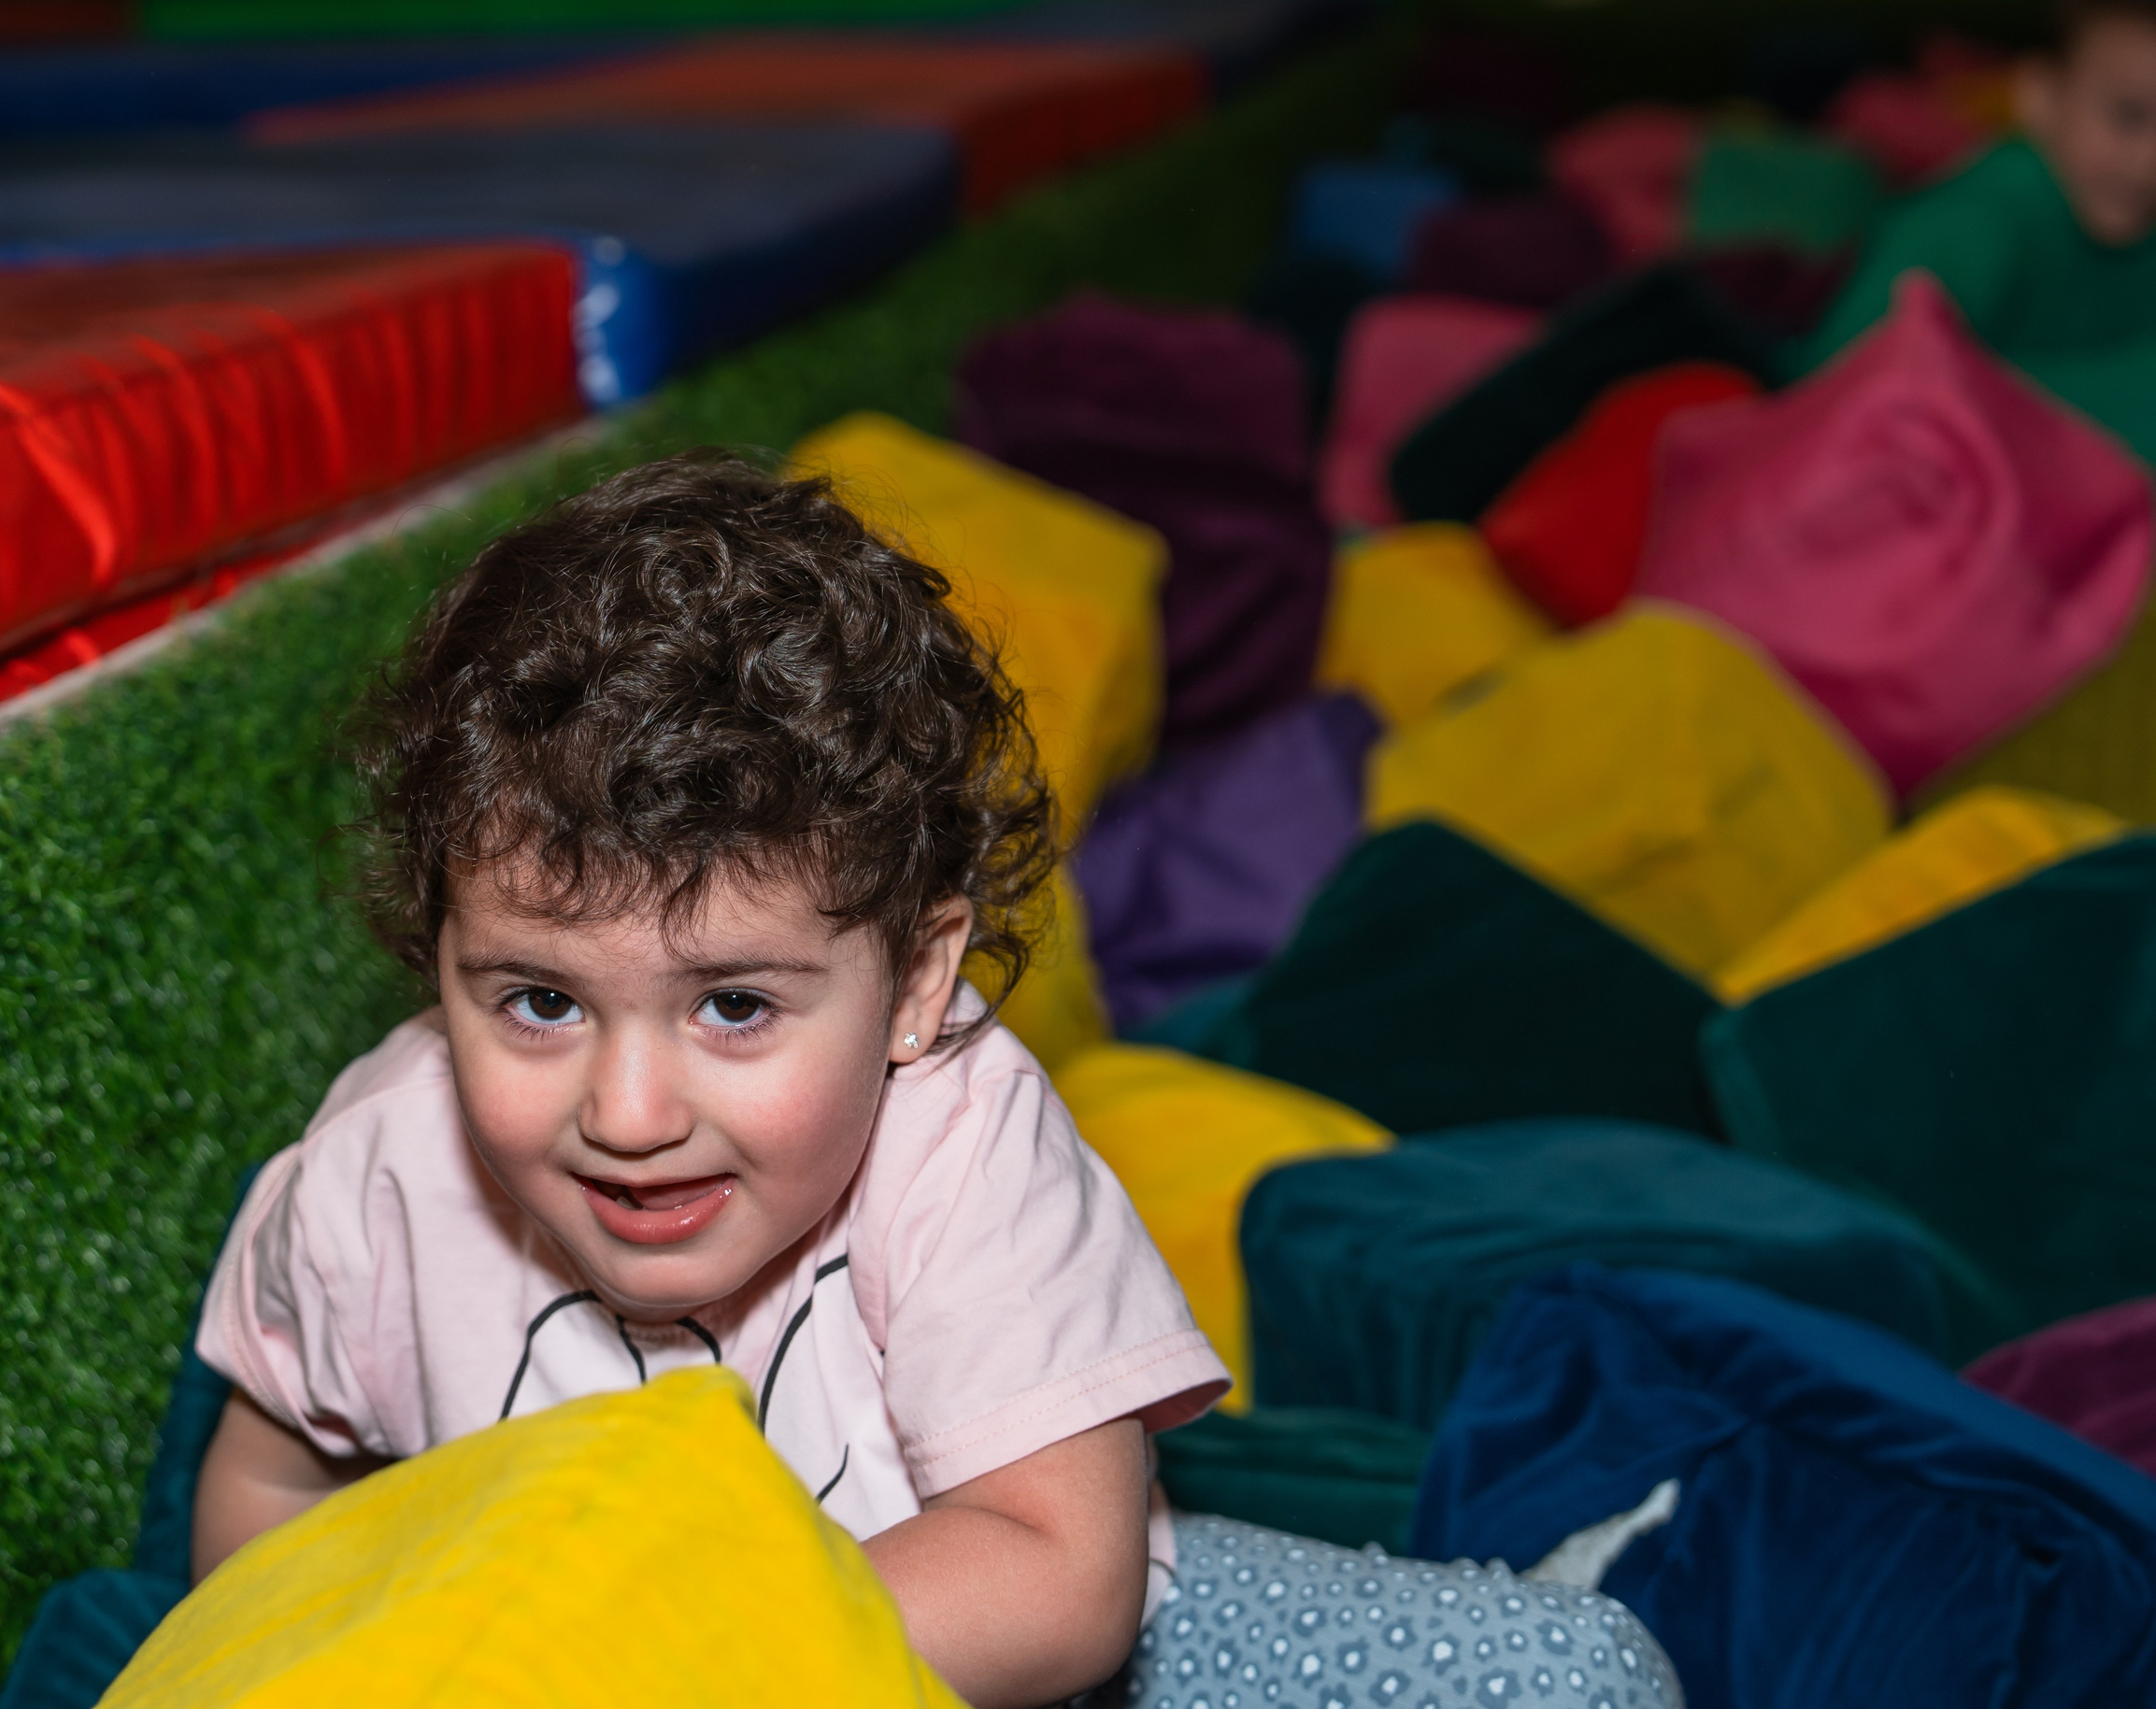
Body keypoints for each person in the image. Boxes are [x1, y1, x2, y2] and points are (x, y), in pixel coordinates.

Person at [188, 451, 1681, 1709]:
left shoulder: (958, 1137)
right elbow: (268, 1494)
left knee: (1583, 1677)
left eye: (732, 1006)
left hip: (1035, 1667)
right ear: (439, 957)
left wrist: (651, 1658)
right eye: (536, 1001)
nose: (627, 1114)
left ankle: (1564, 1566)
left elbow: (1058, 1573)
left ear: (911, 982)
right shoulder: (383, 1174)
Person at [1802, 0, 2156, 457]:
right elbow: (1843, 390)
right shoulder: (1978, 221)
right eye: (2128, 117)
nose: (2149, 161)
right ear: (2041, 97)